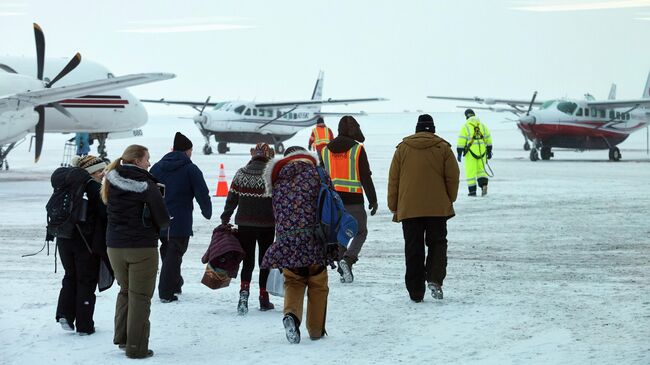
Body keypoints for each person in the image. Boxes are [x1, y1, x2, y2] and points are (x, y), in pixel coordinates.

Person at [261, 146, 336, 344]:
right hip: (315, 240)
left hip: (287, 242)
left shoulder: (277, 181)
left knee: (293, 281)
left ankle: (291, 316)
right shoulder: (318, 175)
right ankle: (316, 330)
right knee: (318, 283)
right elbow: (332, 203)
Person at [102, 144, 170, 359]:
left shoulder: (110, 181)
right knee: (140, 297)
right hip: (141, 247)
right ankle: (136, 347)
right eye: (147, 159)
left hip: (114, 246)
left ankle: (123, 339)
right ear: (138, 161)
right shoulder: (148, 186)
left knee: (125, 291)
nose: (150, 163)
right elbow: (163, 219)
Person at [388, 114, 459, 302]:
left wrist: (393, 205)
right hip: (437, 208)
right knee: (437, 244)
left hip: (409, 208)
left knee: (413, 248)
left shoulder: (402, 149)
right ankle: (435, 279)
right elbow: (452, 177)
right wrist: (449, 198)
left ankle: (416, 292)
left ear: (417, 129)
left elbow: (394, 180)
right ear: (433, 129)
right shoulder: (443, 148)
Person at [150, 132, 212, 303]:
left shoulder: (156, 167)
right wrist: (207, 212)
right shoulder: (190, 169)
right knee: (175, 252)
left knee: (168, 250)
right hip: (180, 220)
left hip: (159, 219)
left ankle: (176, 283)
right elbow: (202, 193)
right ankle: (166, 292)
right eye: (191, 150)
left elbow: (151, 192)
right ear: (187, 151)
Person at [55, 155, 111, 336]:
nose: (104, 175)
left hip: (64, 238)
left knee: (70, 276)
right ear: (92, 171)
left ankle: (65, 314)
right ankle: (85, 326)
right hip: (86, 242)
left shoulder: (66, 184)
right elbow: (105, 214)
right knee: (86, 280)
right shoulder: (93, 187)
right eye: (101, 171)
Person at [320, 115, 378, 283]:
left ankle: (343, 268)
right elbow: (365, 177)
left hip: (333, 202)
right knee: (360, 232)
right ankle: (348, 260)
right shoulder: (357, 149)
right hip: (354, 200)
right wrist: (372, 200)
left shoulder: (325, 151)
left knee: (340, 234)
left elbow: (321, 178)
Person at [221, 142, 276, 314]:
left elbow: (232, 198)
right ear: (268, 155)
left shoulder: (241, 173)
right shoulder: (272, 174)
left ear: (253, 154)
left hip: (245, 224)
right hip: (268, 224)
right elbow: (279, 201)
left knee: (248, 262)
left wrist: (226, 217)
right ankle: (263, 298)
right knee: (264, 262)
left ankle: (243, 297)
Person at [457, 109, 493, 196]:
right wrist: (489, 151)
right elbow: (488, 139)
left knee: (470, 172)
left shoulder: (465, 127)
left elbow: (461, 141)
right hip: (482, 153)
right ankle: (484, 185)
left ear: (466, 116)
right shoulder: (483, 126)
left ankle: (472, 191)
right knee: (481, 171)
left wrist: (459, 153)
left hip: (471, 153)